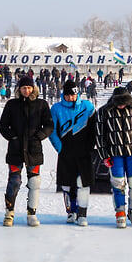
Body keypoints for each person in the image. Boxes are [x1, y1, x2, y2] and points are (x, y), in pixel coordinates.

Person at [0, 76, 53, 227]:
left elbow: (49, 125)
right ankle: (9, 212)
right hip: (15, 149)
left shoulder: (41, 104)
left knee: (34, 182)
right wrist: (13, 137)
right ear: (19, 89)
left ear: (34, 88)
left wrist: (39, 136)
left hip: (33, 149)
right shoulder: (12, 105)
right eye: (23, 88)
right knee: (14, 181)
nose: (26, 90)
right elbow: (3, 126)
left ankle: (32, 213)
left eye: (29, 88)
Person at [95, 86, 132, 228]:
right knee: (118, 183)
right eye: (118, 103)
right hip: (114, 154)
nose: (121, 105)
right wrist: (104, 155)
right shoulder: (104, 112)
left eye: (123, 102)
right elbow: (99, 135)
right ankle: (120, 211)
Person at [48, 81, 97, 226]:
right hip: (66, 152)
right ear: (64, 94)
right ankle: (71, 211)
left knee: (83, 183)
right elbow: (52, 131)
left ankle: (82, 214)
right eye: (69, 95)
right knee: (67, 185)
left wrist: (90, 146)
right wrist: (60, 148)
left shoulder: (88, 106)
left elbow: (94, 129)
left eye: (74, 94)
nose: (72, 97)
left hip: (84, 152)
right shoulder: (56, 108)